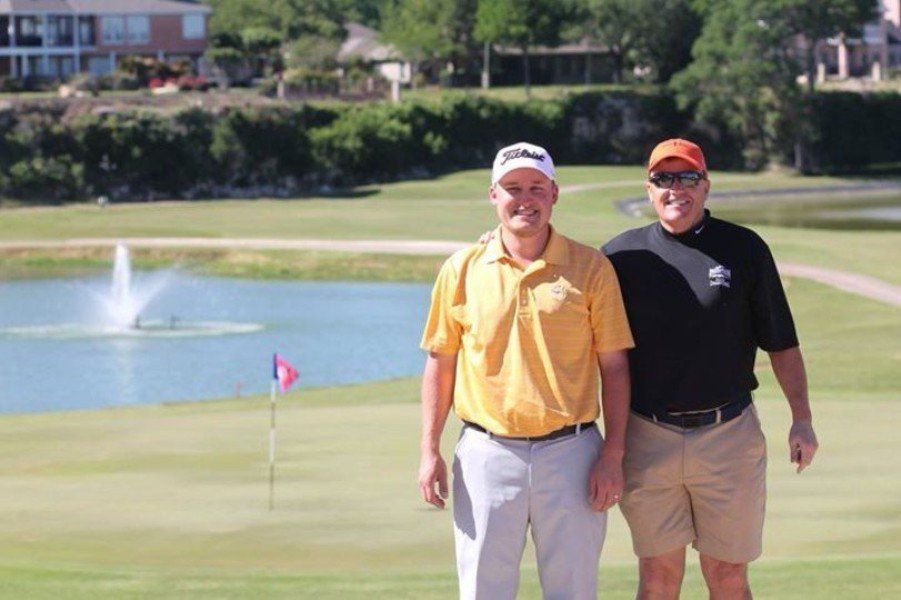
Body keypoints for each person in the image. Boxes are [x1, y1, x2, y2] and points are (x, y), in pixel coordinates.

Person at [602, 138, 819, 599]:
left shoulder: (744, 249)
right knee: (658, 576)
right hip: (648, 436)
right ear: (648, 188)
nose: (674, 188)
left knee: (726, 575)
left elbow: (781, 342)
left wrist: (802, 418)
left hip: (729, 435)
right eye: (663, 178)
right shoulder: (619, 257)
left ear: (706, 186)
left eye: (687, 178)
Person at [418, 142, 634, 599]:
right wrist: (429, 449)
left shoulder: (592, 268)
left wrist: (613, 455)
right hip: (486, 453)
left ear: (554, 193)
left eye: (536, 187)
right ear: (493, 195)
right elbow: (440, 362)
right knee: (483, 591)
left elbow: (614, 367)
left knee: (572, 591)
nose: (525, 198)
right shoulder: (461, 269)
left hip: (573, 453)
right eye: (513, 187)